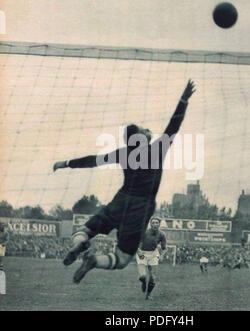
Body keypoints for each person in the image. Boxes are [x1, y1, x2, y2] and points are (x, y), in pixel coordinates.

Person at [53, 80, 196, 284]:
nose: (148, 131)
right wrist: (183, 100)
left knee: (84, 231)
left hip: (119, 202)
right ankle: (93, 261)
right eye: (145, 130)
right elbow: (174, 125)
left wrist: (66, 163)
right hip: (140, 207)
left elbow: (92, 160)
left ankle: (80, 244)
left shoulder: (123, 153)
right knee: (121, 259)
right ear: (141, 138)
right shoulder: (156, 150)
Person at [136, 217, 167, 300]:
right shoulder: (144, 232)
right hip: (142, 253)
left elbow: (164, 248)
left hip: (153, 254)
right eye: (153, 223)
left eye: (157, 223)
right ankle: (143, 282)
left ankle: (148, 294)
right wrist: (138, 252)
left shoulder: (162, 234)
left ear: (159, 224)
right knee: (143, 276)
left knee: (153, 278)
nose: (155, 224)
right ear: (150, 224)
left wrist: (162, 256)